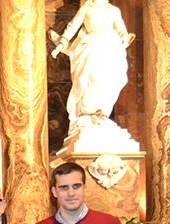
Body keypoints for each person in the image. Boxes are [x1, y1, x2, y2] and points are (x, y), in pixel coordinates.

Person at [49, 0, 132, 133]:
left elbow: (122, 31)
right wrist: (60, 45)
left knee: (108, 81)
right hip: (90, 49)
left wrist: (125, 38)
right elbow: (72, 27)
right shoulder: (87, 8)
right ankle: (88, 114)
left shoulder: (114, 10)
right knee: (91, 79)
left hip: (111, 49)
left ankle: (101, 113)